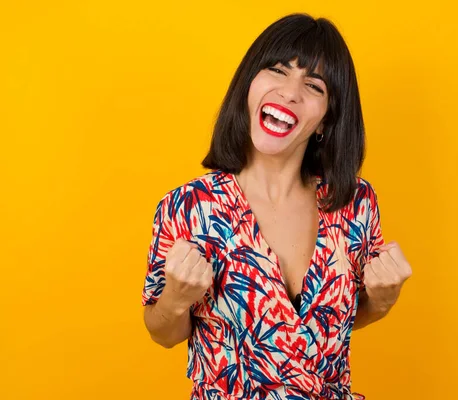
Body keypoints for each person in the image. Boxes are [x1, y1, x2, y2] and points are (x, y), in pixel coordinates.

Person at [141, 13, 412, 400]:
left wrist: (381, 303)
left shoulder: (354, 204)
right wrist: (176, 298)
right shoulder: (189, 208)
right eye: (278, 70)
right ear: (250, 84)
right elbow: (161, 331)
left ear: (324, 120)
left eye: (314, 86)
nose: (290, 92)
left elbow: (336, 325)